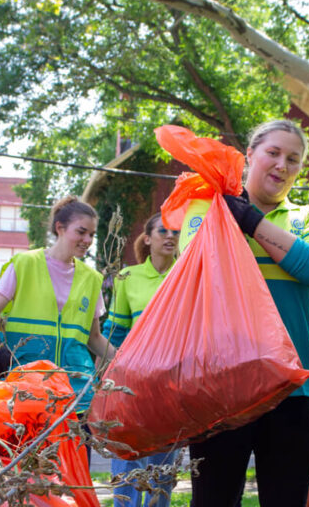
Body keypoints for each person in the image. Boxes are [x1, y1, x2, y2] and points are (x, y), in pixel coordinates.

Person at [177, 119, 309, 506]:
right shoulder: (206, 209)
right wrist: (268, 239)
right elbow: (199, 271)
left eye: (293, 159)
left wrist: (251, 222)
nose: (282, 165)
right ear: (249, 155)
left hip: (293, 389)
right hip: (221, 388)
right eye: (273, 153)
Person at [0, 195, 111, 463]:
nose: (87, 240)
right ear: (60, 228)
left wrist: (130, 363)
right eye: (81, 232)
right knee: (23, 475)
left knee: (72, 474)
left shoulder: (92, 279)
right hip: (25, 390)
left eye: (92, 235)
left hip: (75, 395)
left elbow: (94, 338)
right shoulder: (25, 264)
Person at [101, 213, 181, 507]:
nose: (170, 236)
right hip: (131, 384)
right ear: (148, 238)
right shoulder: (127, 278)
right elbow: (116, 331)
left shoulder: (186, 274)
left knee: (163, 467)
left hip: (174, 384)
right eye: (163, 231)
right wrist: (110, 376)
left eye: (176, 232)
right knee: (128, 457)